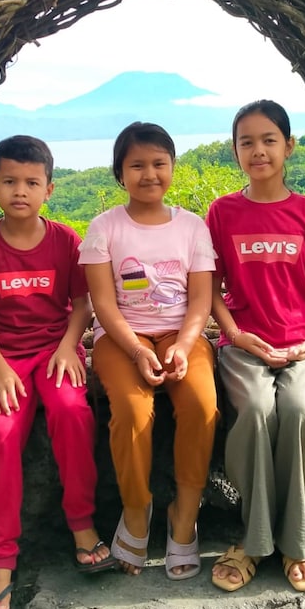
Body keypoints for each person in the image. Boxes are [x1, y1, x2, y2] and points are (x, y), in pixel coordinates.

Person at [0, 135, 114, 609]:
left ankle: (81, 523)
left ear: (49, 189)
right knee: (0, 435)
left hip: (55, 351)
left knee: (71, 411)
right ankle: (1, 556)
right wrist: (0, 368)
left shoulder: (65, 241)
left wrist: (68, 346)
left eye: (31, 182)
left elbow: (82, 305)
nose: (19, 191)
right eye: (9, 181)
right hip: (5, 360)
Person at [205, 100, 305, 593]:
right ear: (235, 151)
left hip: (302, 344)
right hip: (244, 344)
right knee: (257, 409)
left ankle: (296, 542)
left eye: (269, 140)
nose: (258, 151)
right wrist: (236, 334)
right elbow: (211, 290)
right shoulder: (222, 212)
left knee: (298, 410)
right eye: (246, 142)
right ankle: (254, 539)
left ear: (289, 146)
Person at [79, 122, 218, 579]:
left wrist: (184, 345)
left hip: (182, 334)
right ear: (120, 173)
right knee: (133, 411)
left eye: (159, 163)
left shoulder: (192, 227)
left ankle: (185, 515)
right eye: (136, 165)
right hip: (123, 338)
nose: (149, 174)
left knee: (201, 405)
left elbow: (200, 300)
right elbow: (103, 304)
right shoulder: (104, 228)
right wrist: (138, 352)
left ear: (172, 167)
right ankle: (136, 510)